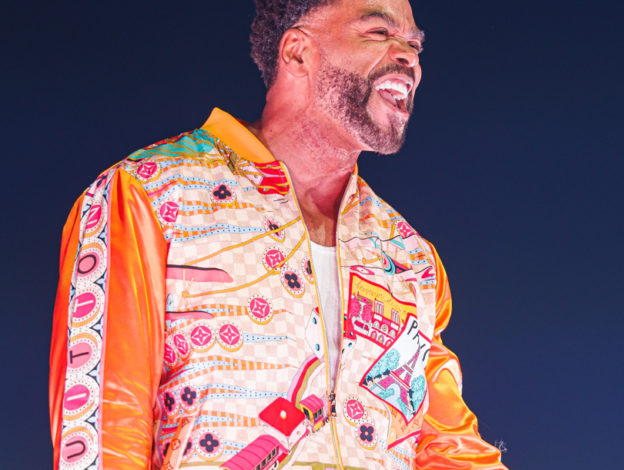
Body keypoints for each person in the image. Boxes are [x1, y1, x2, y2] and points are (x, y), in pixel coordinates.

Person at [49, 0, 507, 468]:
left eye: (413, 44)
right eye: (378, 32)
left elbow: (451, 450)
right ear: (296, 52)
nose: (408, 55)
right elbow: (105, 430)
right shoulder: (149, 196)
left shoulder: (409, 259)